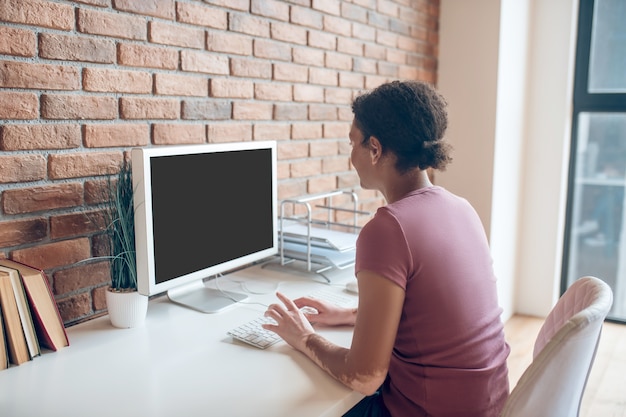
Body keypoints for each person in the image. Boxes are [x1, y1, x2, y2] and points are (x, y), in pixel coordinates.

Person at [262, 80, 510, 417]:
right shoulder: (461, 208)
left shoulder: (387, 229)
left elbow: (364, 376)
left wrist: (304, 337)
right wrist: (348, 316)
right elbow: (428, 312)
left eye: (353, 143)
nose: (351, 156)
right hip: (487, 406)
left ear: (374, 149)